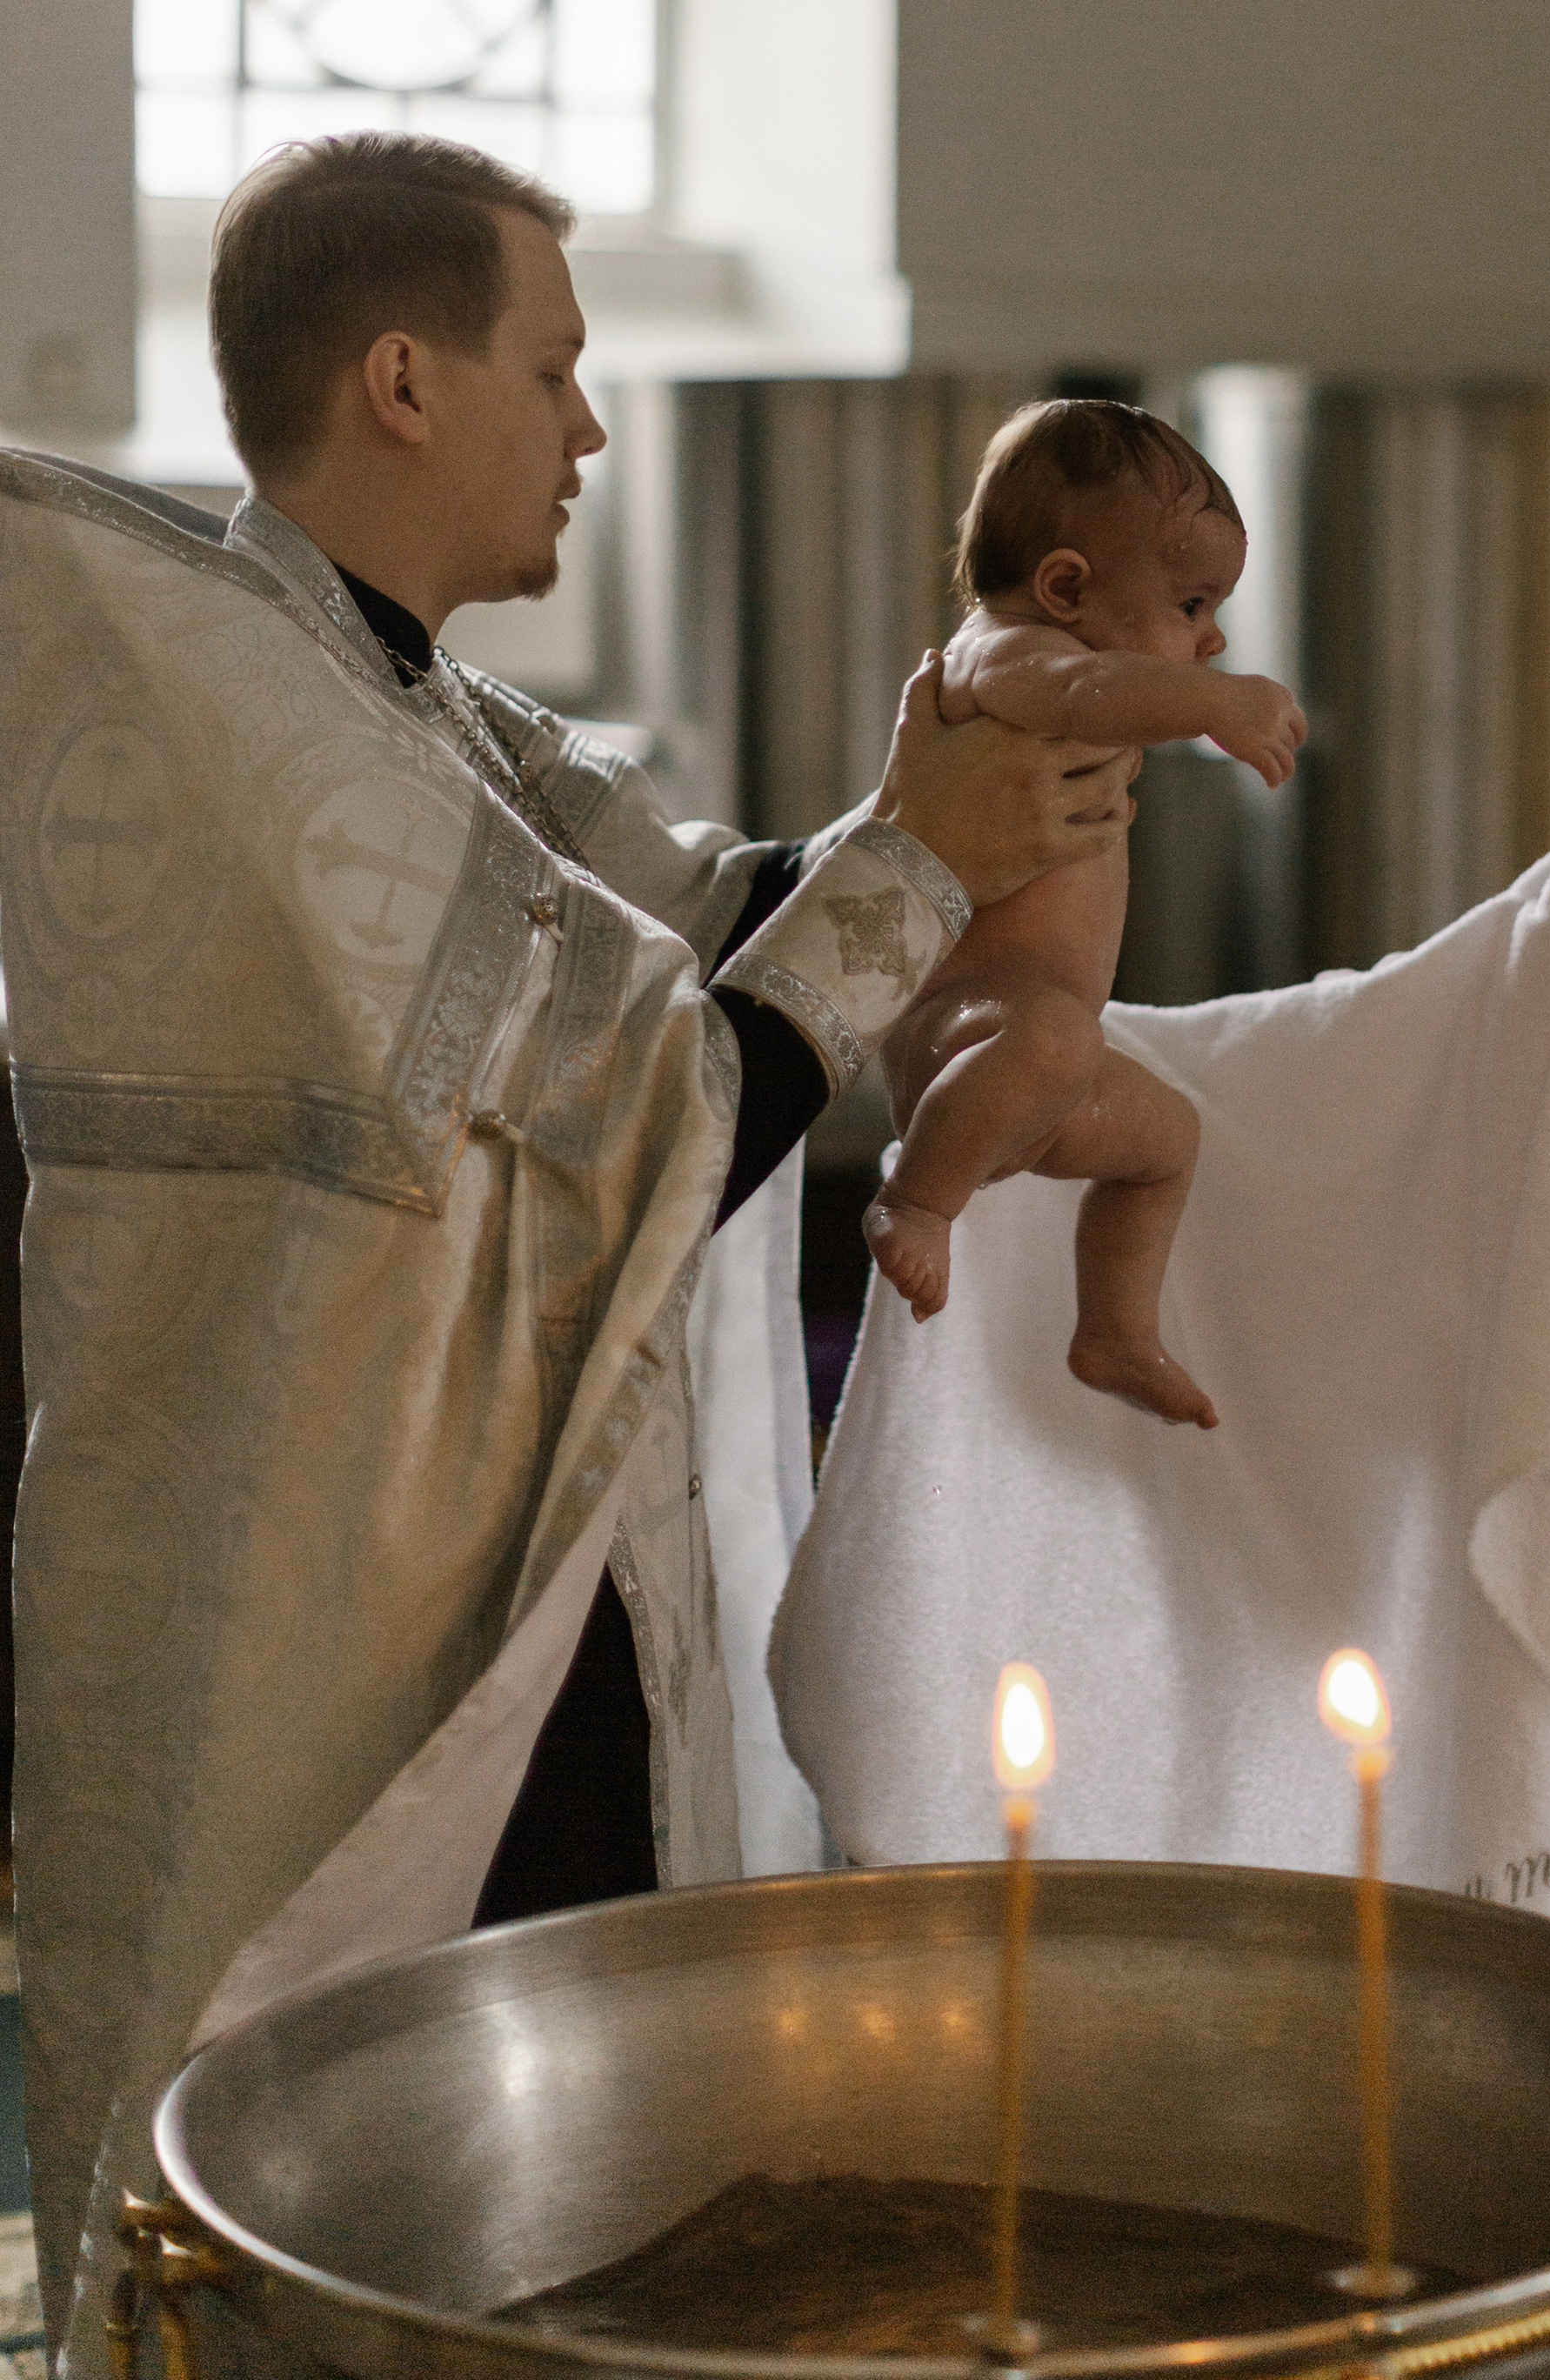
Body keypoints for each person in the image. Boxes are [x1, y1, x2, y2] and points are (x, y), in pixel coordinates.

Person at [2, 130, 1135, 2376]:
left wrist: (935, 808)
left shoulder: (389, 692)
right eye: (560, 364)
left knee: (526, 2189)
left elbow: (700, 927)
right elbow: (661, 1116)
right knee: (325, 2187)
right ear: (409, 382)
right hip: (312, 1622)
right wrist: (916, 869)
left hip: (475, 1564)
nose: (595, 425)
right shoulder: (273, 742)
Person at [866, 402, 1306, 1429]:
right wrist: (1211, 703)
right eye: (1192, 601)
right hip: (963, 1039)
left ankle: (1115, 1331)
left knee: (1168, 1140)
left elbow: (1111, 688)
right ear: (1066, 586)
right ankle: (915, 1202)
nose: (1212, 635)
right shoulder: (1000, 657)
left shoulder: (1069, 672)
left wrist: (1191, 693)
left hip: (1033, 1069)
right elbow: (1088, 688)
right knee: (1056, 1035)